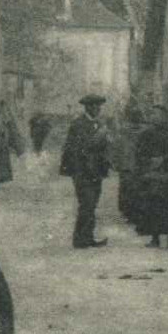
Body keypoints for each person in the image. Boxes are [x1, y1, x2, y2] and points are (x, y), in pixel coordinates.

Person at [58, 94, 112, 248]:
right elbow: (79, 148)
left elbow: (103, 148)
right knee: (86, 203)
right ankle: (80, 239)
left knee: (92, 204)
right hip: (82, 171)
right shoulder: (78, 124)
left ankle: (87, 237)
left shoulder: (98, 123)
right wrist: (99, 137)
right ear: (87, 107)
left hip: (96, 171)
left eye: (99, 106)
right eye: (94, 106)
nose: (97, 109)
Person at [131, 115, 168, 249]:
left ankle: (158, 239)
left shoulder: (147, 135)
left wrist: (155, 162)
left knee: (156, 206)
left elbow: (139, 155)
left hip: (159, 175)